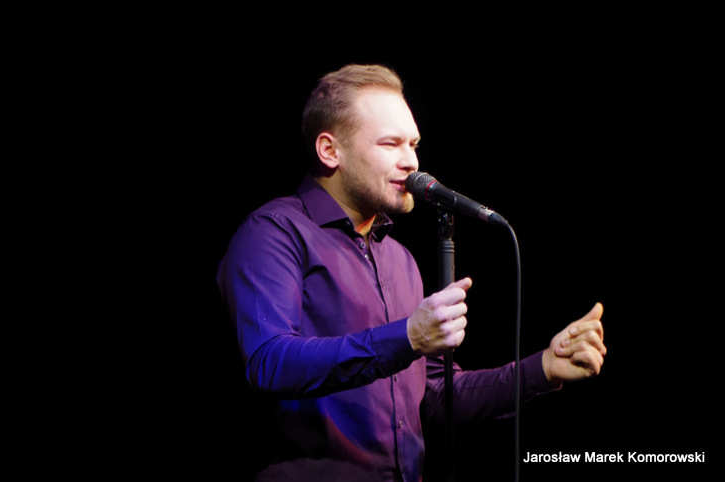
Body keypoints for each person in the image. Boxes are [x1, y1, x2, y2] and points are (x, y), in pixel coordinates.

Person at [216, 64, 606, 481]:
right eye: (390, 144)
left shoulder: (400, 259)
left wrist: (542, 368)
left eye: (414, 144)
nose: (411, 162)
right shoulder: (274, 232)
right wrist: (405, 338)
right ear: (330, 151)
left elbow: (434, 397)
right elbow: (270, 362)